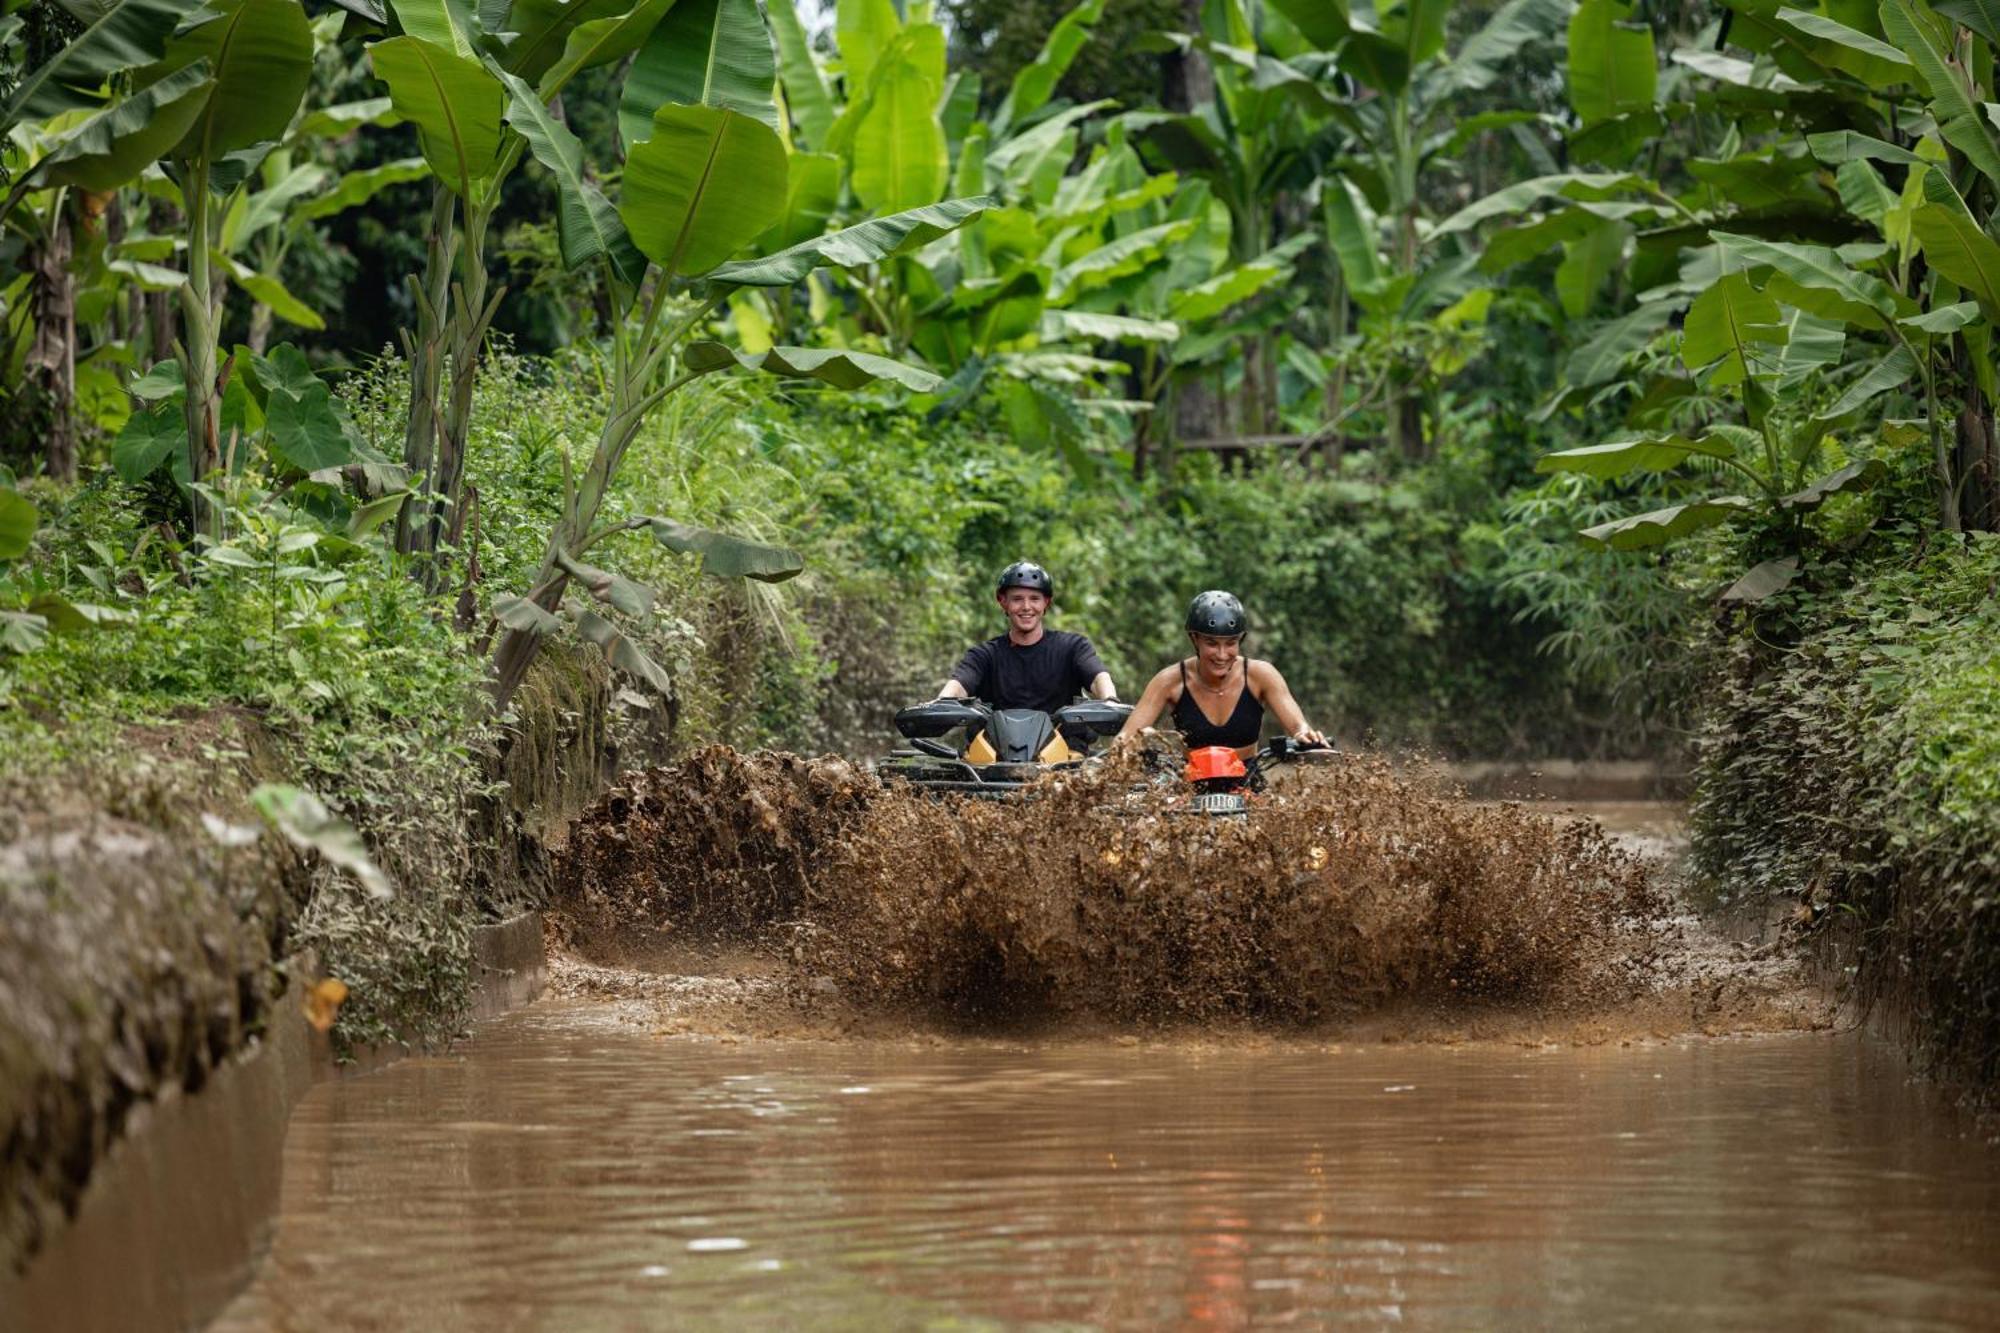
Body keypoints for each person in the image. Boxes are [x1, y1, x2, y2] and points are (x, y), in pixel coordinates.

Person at [1116, 590, 1326, 758]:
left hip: (1248, 782)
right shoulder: (1169, 681)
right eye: (1211, 643)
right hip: (1190, 786)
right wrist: (1122, 753)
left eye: (1231, 643)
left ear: (1240, 641)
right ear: (1194, 639)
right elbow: (1126, 738)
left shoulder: (1261, 675)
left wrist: (1303, 734)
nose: (1222, 654)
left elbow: (1298, 726)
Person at [937, 560, 1118, 713]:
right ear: (1003, 602)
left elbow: (1098, 678)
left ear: (1046, 602)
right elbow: (959, 686)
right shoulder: (984, 655)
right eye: (1017, 599)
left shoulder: (1073, 647)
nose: (1026, 607)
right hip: (994, 751)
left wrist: (1110, 700)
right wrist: (940, 703)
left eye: (1034, 598)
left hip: (1063, 749)